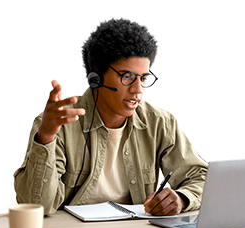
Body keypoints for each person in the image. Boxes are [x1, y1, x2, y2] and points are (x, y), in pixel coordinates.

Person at [14, 18, 208, 216]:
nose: (137, 90)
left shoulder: (159, 122)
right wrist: (46, 137)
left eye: (143, 78)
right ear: (96, 77)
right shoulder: (57, 124)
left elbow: (200, 176)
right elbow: (36, 206)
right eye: (127, 77)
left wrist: (183, 198)